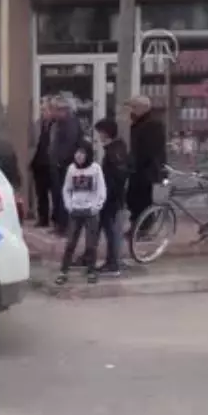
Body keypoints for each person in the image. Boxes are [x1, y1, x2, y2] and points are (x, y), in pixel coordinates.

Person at [55, 140, 106, 286]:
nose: (79, 156)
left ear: (88, 154)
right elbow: (66, 189)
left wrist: (97, 206)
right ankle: (63, 271)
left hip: (91, 211)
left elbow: (101, 189)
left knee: (91, 244)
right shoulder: (71, 169)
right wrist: (69, 205)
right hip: (75, 211)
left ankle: (91, 271)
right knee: (70, 242)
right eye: (77, 152)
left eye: (82, 153)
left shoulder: (95, 169)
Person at [93, 118, 130, 275]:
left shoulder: (114, 152)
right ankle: (108, 260)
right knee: (107, 229)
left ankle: (113, 263)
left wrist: (106, 196)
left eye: (100, 133)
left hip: (111, 198)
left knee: (111, 231)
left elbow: (115, 177)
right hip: (112, 197)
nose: (98, 136)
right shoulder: (116, 148)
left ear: (106, 133)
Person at [125, 95, 167, 230]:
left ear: (141, 108)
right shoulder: (137, 124)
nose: (130, 111)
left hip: (148, 170)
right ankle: (136, 226)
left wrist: (137, 162)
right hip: (138, 169)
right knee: (133, 198)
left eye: (133, 108)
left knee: (144, 200)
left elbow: (151, 150)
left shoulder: (153, 124)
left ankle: (143, 228)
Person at [48, 96, 84, 236]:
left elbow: (69, 145)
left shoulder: (70, 123)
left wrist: (60, 160)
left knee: (65, 196)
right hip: (57, 164)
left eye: (56, 109)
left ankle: (65, 226)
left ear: (65, 110)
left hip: (65, 165)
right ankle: (59, 224)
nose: (54, 112)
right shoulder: (58, 123)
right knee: (58, 195)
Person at [29, 98, 54, 228]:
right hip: (39, 163)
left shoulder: (55, 125)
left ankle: (55, 220)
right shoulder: (39, 124)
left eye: (44, 109)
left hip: (50, 163)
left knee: (54, 193)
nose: (42, 112)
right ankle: (42, 218)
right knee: (41, 193)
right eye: (42, 110)